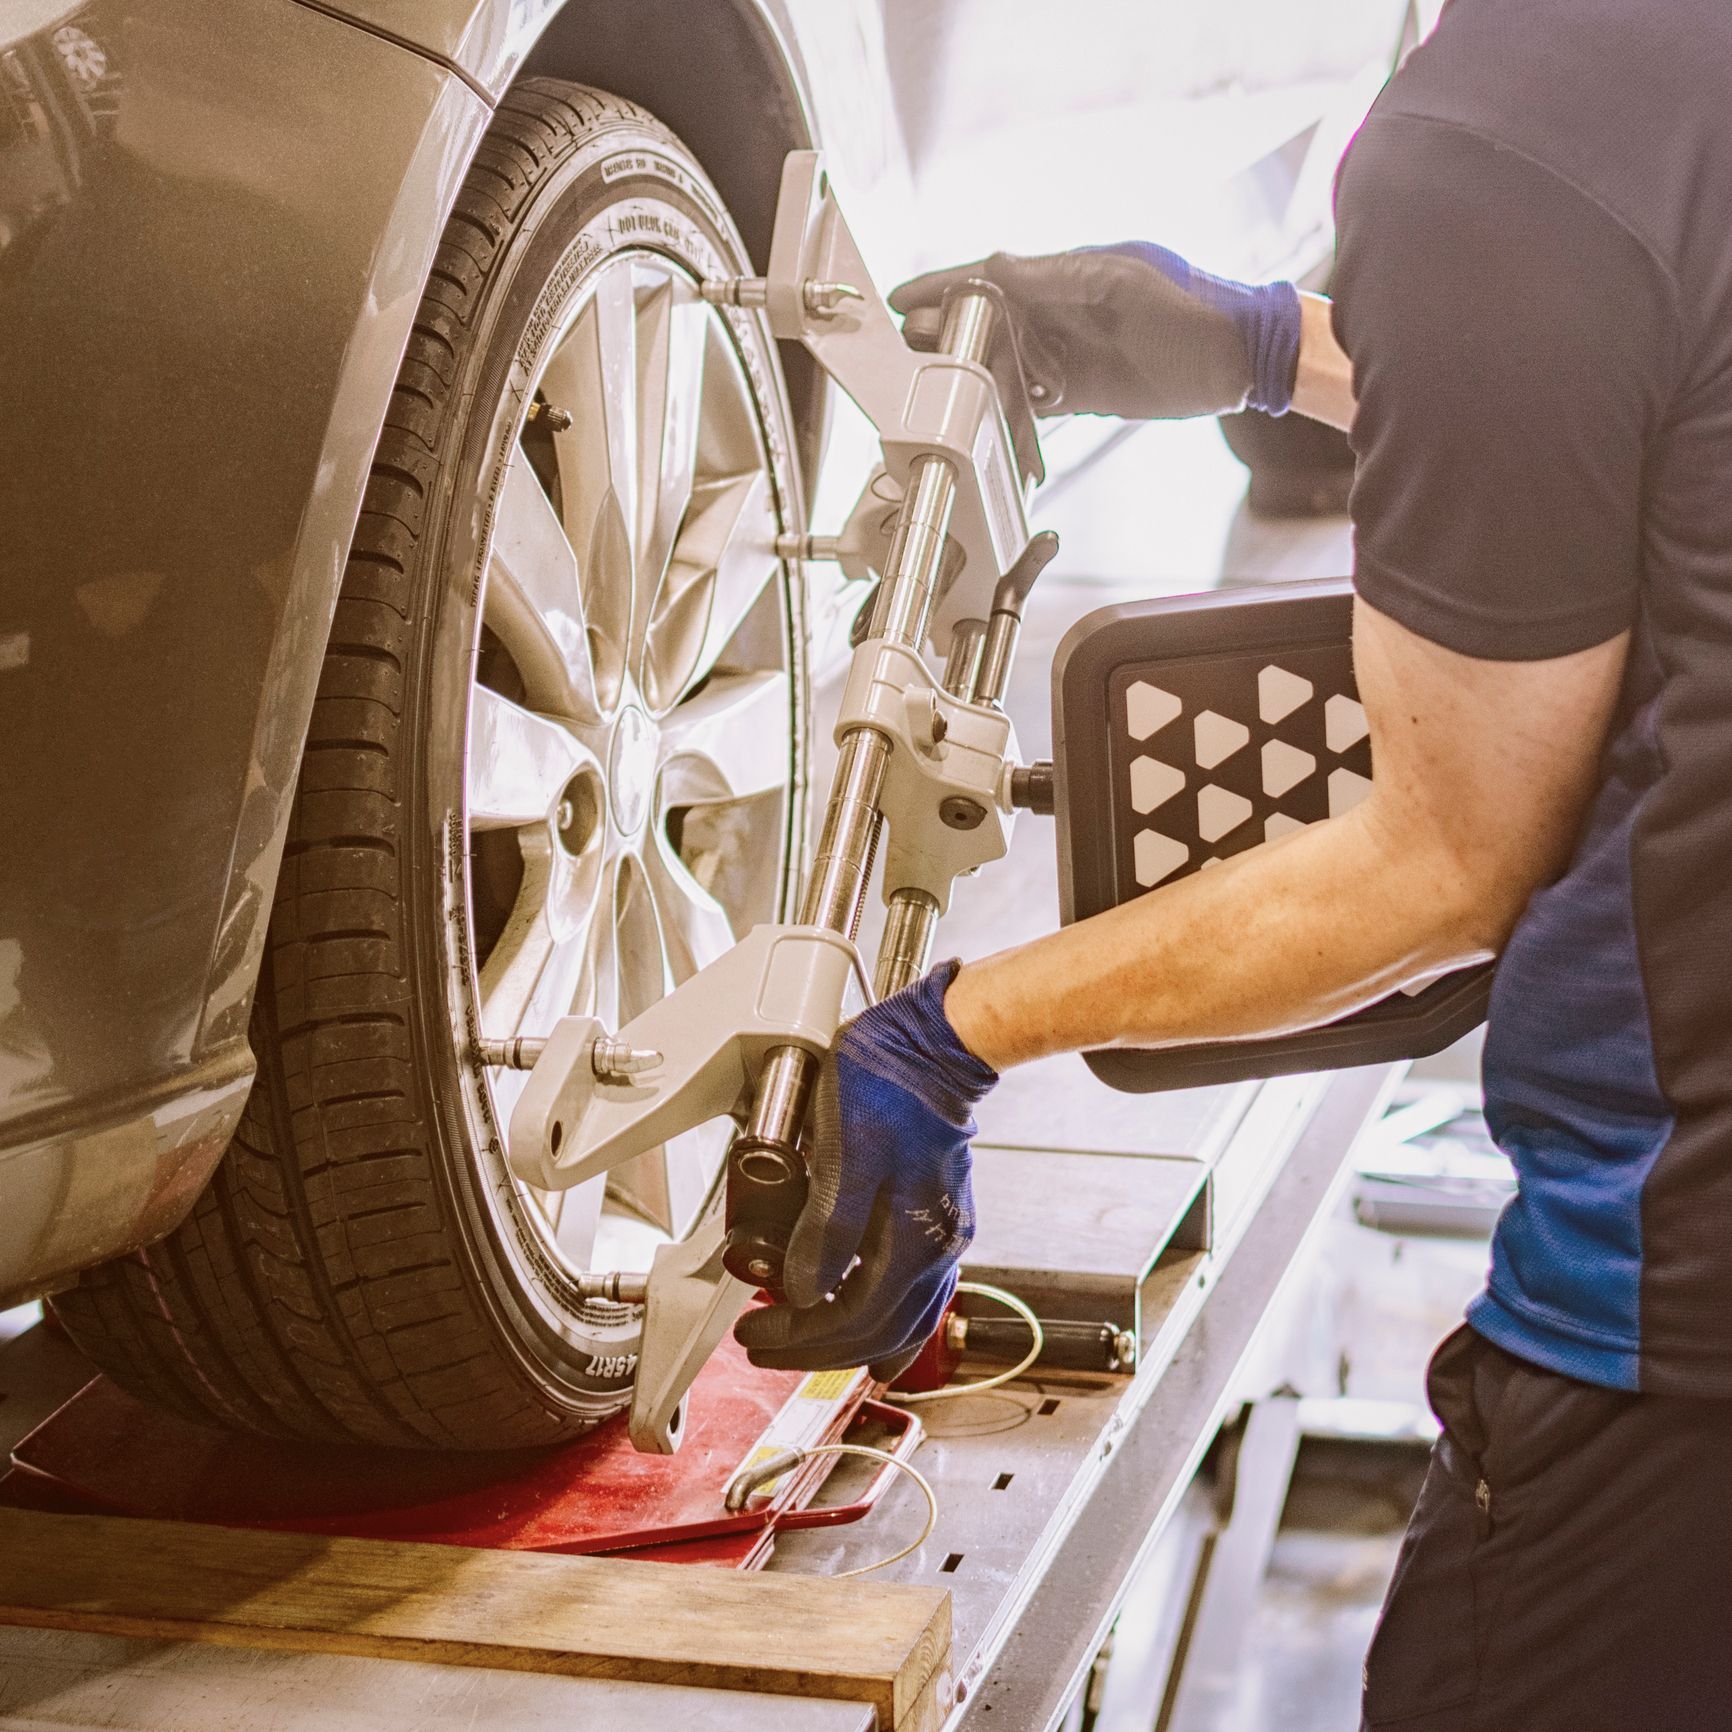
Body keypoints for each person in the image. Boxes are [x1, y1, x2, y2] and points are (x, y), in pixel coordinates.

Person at [737, 0, 1732, 1724]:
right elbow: (1644, 391)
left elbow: (1441, 864)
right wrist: (1281, 344)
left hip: (1686, 1363)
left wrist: (955, 1031)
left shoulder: (1517, 123)